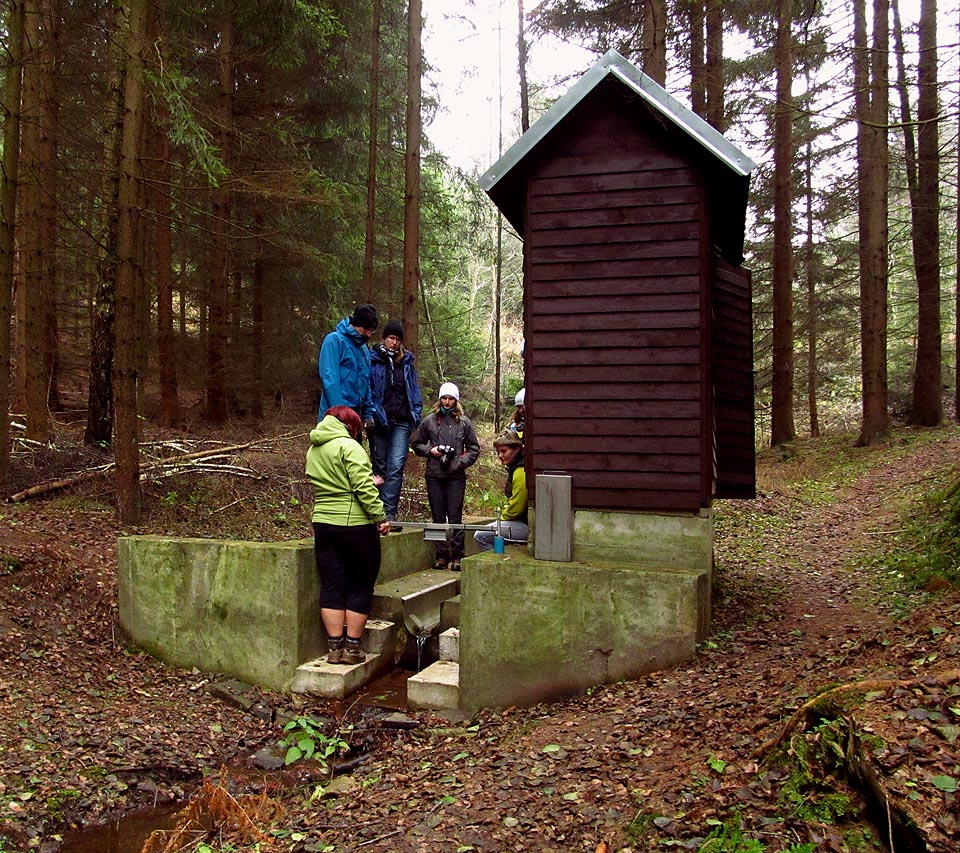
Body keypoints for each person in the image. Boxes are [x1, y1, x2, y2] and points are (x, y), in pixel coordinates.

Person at [305, 405, 391, 666]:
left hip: (323, 522)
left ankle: (334, 649)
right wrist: (380, 517)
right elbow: (361, 486)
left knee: (331, 583)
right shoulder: (349, 446)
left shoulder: (314, 448)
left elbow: (331, 482)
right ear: (350, 425)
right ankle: (352, 648)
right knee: (360, 583)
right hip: (354, 524)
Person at [410, 382, 480, 572]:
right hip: (434, 474)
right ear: (439, 399)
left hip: (456, 476)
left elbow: (474, 449)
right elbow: (416, 443)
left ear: (456, 400)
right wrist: (430, 450)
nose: (447, 402)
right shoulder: (429, 421)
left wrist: (457, 462)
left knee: (455, 516)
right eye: (444, 398)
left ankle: (458, 555)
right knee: (438, 517)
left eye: (451, 399)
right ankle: (441, 555)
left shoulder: (464, 422)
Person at [368, 320, 423, 522]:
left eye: (398, 339)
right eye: (391, 338)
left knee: (396, 465)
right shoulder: (373, 359)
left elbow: (414, 391)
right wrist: (373, 413)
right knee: (379, 465)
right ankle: (377, 512)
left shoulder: (406, 363)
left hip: (401, 421)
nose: (394, 343)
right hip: (379, 421)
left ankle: (390, 512)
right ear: (384, 338)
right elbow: (369, 389)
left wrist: (415, 415)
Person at [318, 303, 378, 426]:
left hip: (356, 415)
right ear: (358, 325)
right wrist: (341, 413)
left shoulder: (364, 349)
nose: (369, 334)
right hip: (333, 414)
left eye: (372, 331)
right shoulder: (334, 340)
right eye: (367, 329)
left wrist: (367, 413)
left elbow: (366, 382)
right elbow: (330, 379)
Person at [475, 431, 528, 552]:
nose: (500, 455)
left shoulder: (520, 470)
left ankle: (498, 561)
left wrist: (502, 518)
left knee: (481, 535)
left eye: (503, 451)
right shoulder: (516, 467)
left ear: (516, 449)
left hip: (527, 525)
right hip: (522, 521)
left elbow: (517, 507)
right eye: (498, 452)